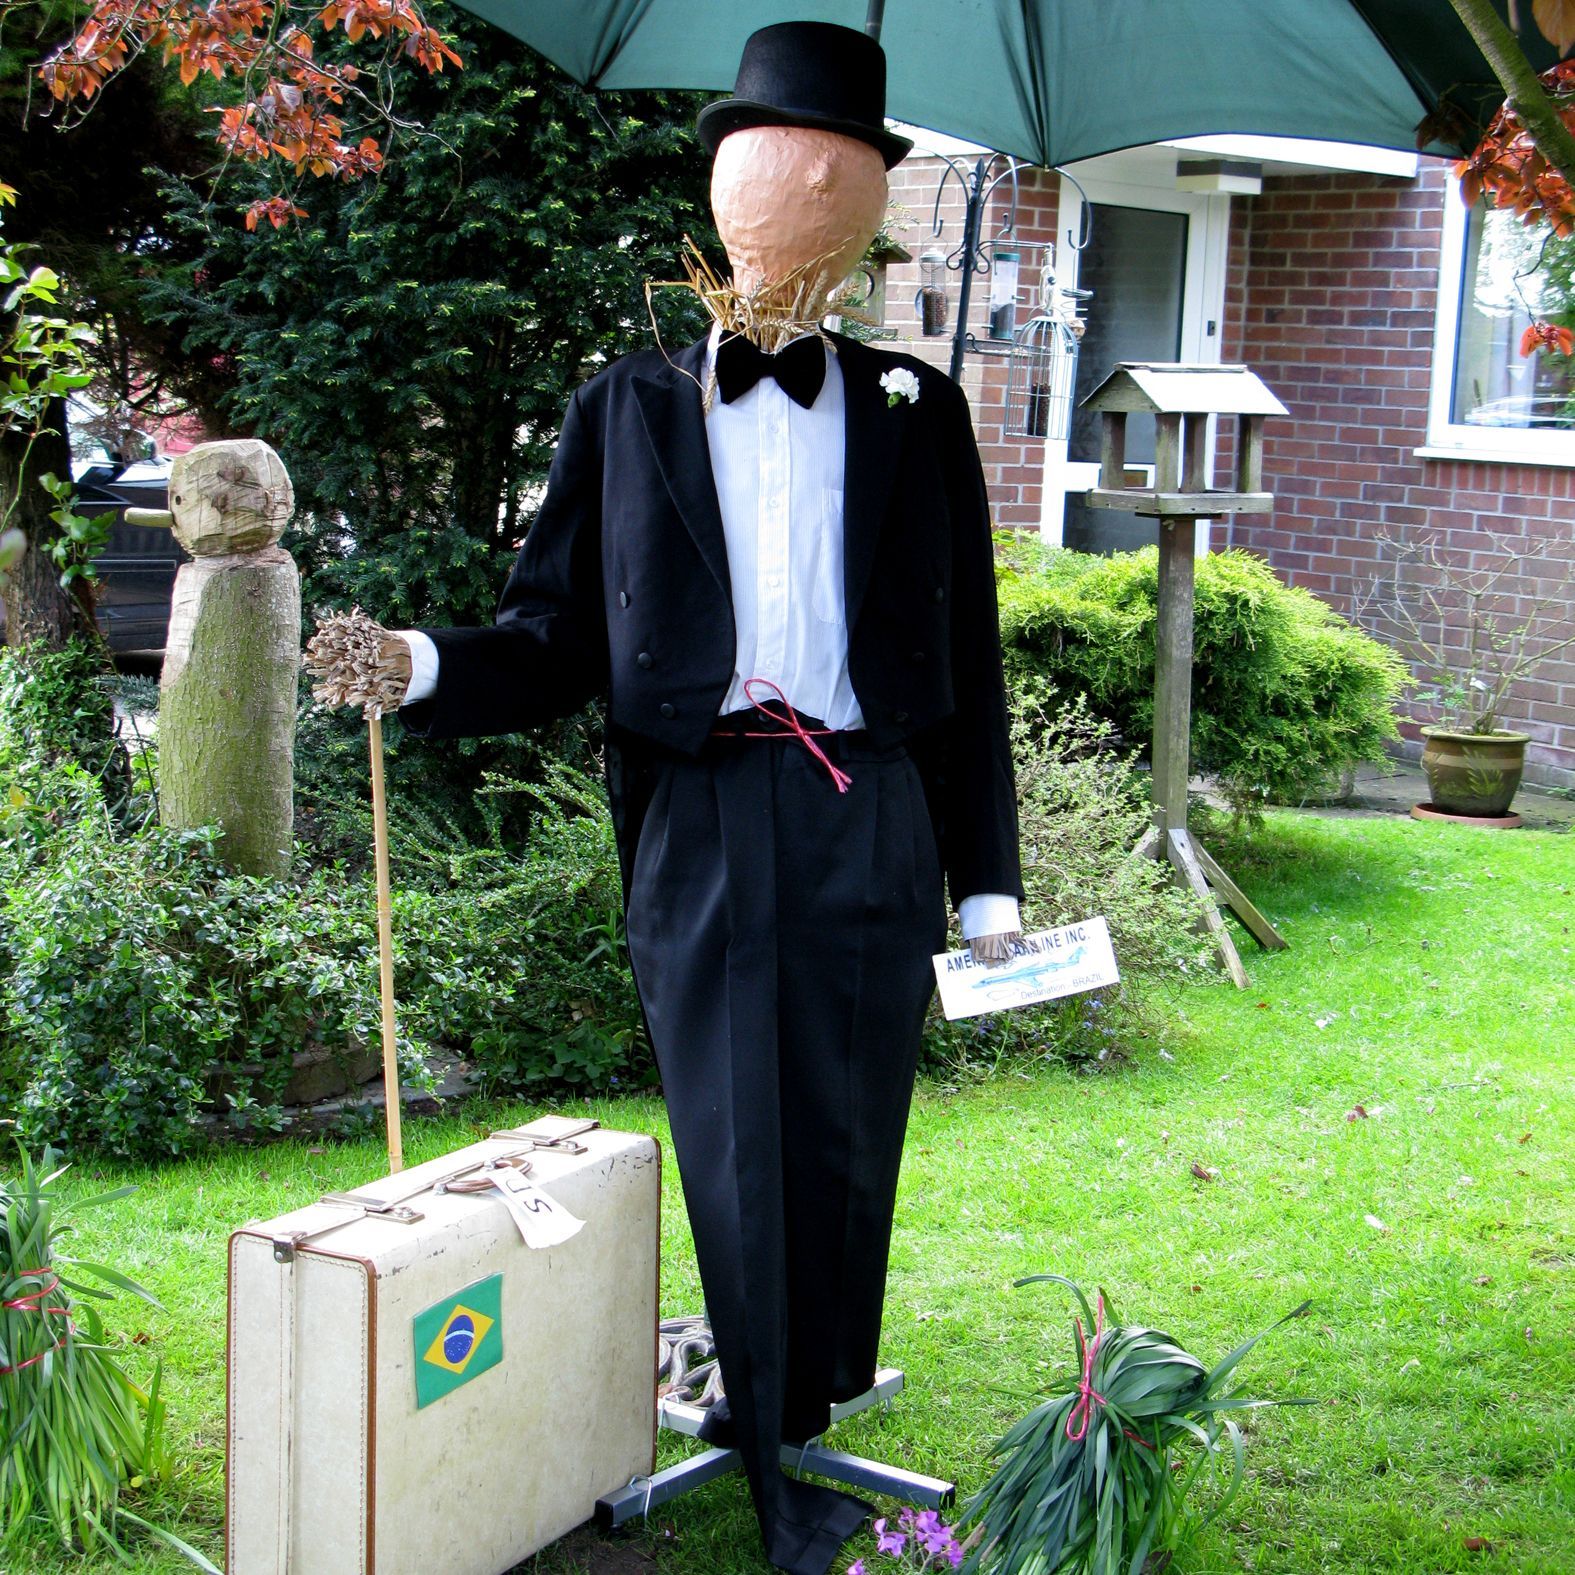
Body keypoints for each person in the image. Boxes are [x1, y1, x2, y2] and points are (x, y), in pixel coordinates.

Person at [315, 22, 1023, 1574]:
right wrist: (418, 665)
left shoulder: (918, 410)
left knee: (850, 1130)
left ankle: (802, 1393)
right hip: (703, 815)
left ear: (861, 212)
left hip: (874, 804)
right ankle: (772, 1468)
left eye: (830, 177)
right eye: (775, 173)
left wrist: (988, 880)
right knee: (736, 1134)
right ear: (724, 198)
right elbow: (552, 634)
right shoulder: (625, 410)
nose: (798, 199)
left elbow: (966, 653)